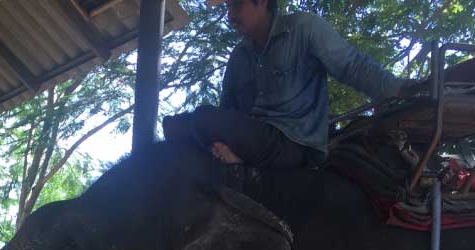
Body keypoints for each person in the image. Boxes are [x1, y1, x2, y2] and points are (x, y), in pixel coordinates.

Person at [163, 0, 413, 169]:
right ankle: (229, 155)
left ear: (261, 2)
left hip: (295, 144)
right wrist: (219, 141)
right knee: (172, 126)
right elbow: (227, 110)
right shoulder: (238, 56)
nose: (230, 16)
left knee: (204, 118)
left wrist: (402, 90)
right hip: (253, 139)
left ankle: (235, 161)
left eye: (236, 4)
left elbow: (353, 66)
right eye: (227, 6)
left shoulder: (304, 28)